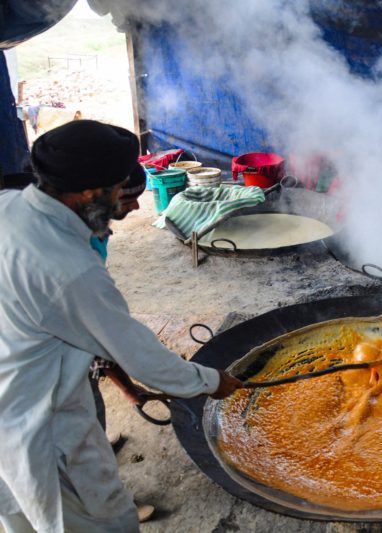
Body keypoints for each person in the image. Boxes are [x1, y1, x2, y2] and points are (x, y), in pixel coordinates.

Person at [0, 120, 242, 532]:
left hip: (12, 391)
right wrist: (213, 381)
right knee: (100, 522)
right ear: (89, 192)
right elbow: (142, 356)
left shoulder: (8, 204)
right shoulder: (70, 272)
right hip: (42, 427)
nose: (121, 200)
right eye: (116, 190)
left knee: (20, 520)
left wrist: (125, 386)